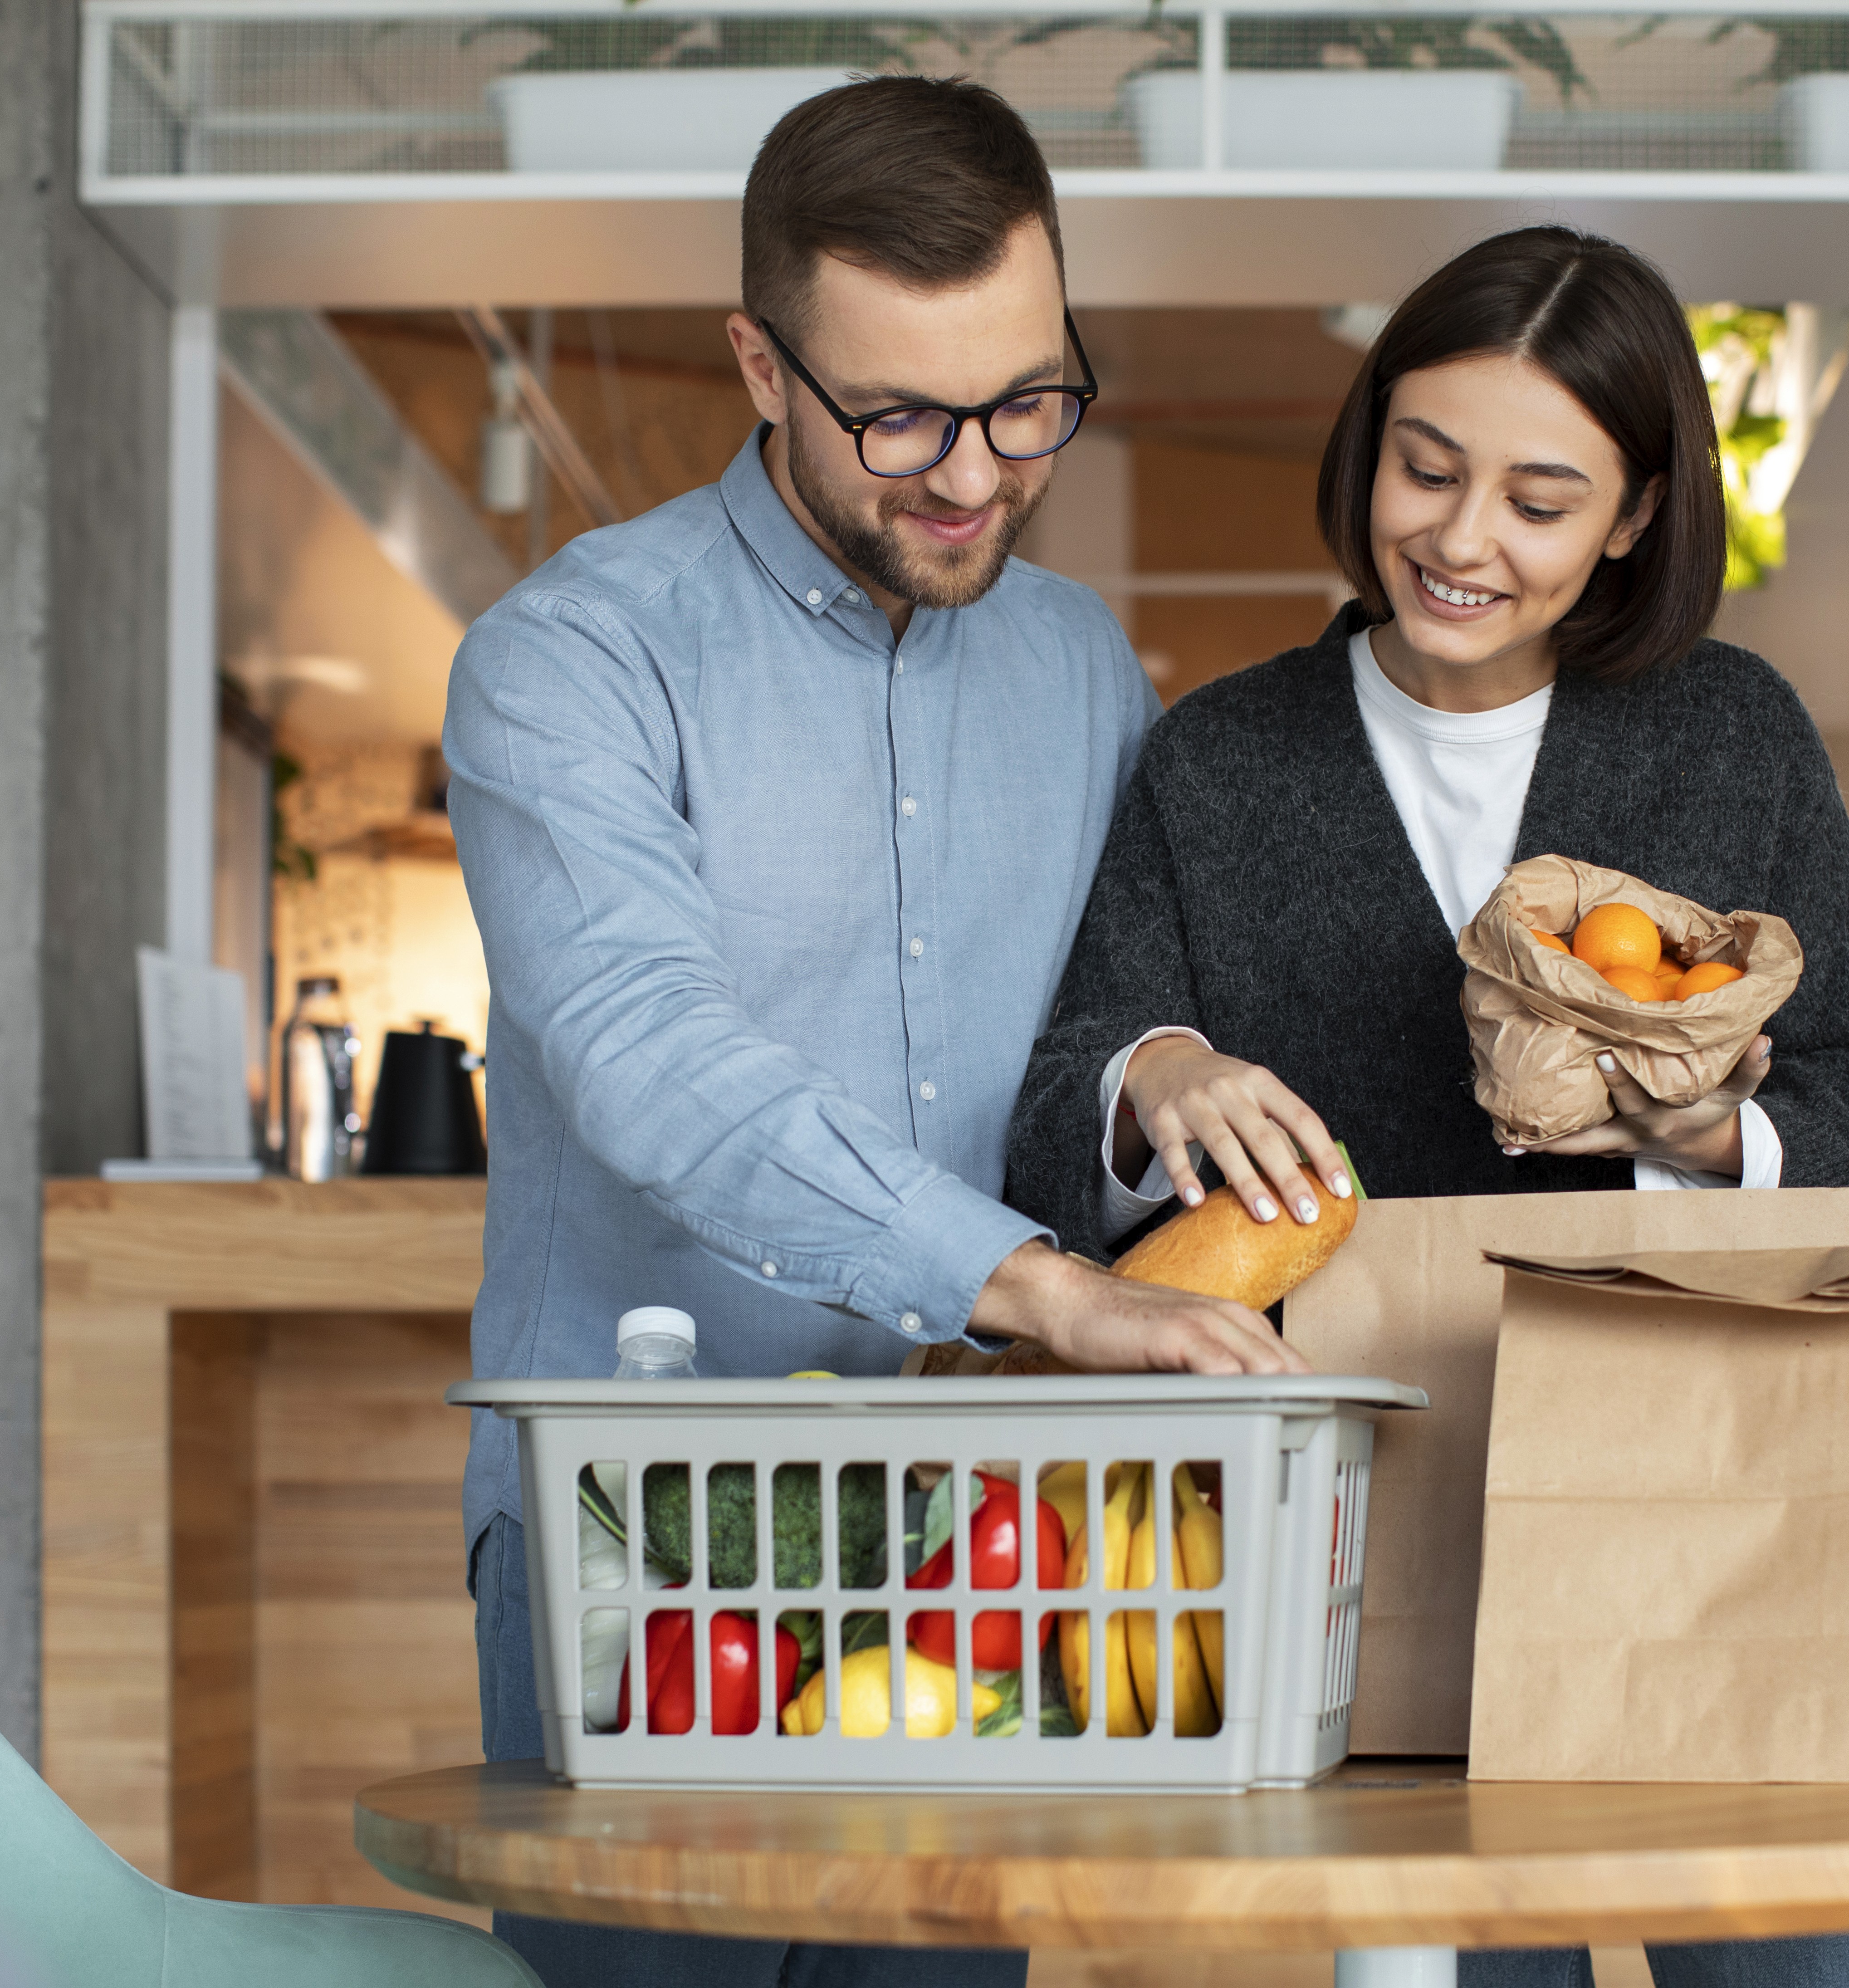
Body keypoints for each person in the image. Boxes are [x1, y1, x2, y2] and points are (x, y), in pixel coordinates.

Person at [1004, 225, 1849, 1988]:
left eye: (1538, 497)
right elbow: (1066, 1092)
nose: (1457, 539)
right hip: (1370, 1527)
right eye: (1425, 467)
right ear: (1368, 442)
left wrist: (1708, 1146)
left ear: (1635, 515)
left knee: (1801, 1970)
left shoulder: (1728, 737)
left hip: (1711, 1503)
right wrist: (1160, 1071)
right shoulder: (1221, 757)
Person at [443, 76, 1306, 1988]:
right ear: (760, 363)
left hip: (970, 1539)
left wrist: (1153, 1059)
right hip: (643, 1534)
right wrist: (1039, 1289)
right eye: (900, 413)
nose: (976, 472)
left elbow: (1092, 1017)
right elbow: (650, 1054)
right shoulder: (570, 661)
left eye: (1027, 401)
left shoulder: (1084, 664)